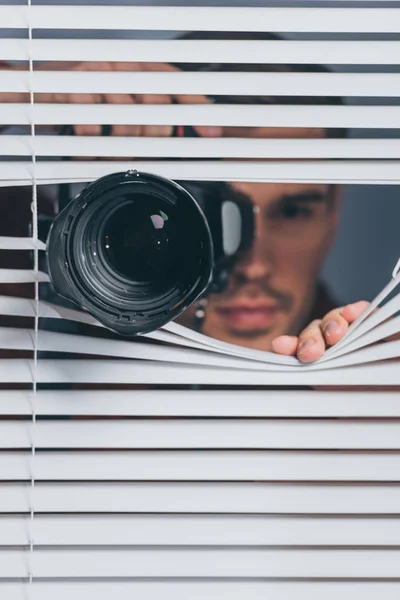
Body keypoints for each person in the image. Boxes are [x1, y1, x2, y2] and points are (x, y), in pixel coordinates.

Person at [0, 31, 374, 364]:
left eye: (291, 212)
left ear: (334, 211)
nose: (254, 266)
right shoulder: (28, 352)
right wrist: (17, 91)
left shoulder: (375, 388)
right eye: (209, 212)